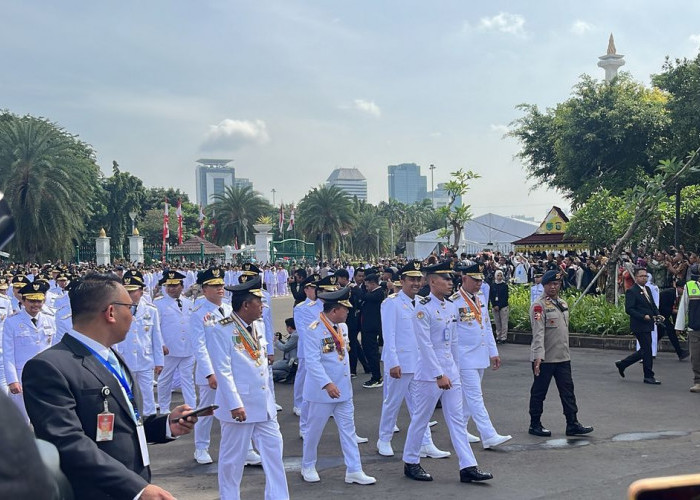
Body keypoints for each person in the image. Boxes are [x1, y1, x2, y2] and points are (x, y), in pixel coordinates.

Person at [22, 272, 199, 499]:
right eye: (131, 308)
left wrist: (166, 425)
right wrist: (137, 489)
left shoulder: (111, 356)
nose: (133, 317)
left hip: (131, 484)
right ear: (111, 312)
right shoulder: (49, 367)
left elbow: (120, 423)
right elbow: (68, 442)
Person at [402, 261, 493, 484]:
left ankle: (468, 466)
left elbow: (453, 342)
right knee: (420, 419)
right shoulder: (422, 308)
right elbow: (425, 345)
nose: (450, 282)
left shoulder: (451, 306)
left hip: (451, 371)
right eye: (445, 278)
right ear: (432, 281)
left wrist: (455, 369)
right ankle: (411, 461)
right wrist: (438, 374)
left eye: (451, 278)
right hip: (429, 374)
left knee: (456, 421)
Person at [206, 276, 289, 500]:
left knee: (274, 455)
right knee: (232, 461)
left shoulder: (258, 325)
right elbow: (223, 370)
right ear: (245, 305)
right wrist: (234, 404)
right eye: (258, 302)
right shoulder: (221, 329)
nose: (263, 306)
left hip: (264, 405)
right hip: (239, 407)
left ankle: (278, 497)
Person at [301, 286, 376, 485]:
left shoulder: (343, 327)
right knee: (313, 431)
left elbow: (342, 355)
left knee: (348, 431)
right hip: (321, 392)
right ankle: (308, 465)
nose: (349, 312)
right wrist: (327, 384)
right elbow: (312, 362)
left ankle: (354, 469)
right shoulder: (314, 330)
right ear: (335, 311)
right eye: (346, 309)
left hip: (343, 389)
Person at [377, 261, 448, 458]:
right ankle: (384, 438)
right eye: (412, 280)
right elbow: (388, 335)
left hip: (419, 363)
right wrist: (392, 362)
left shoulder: (423, 302)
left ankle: (425, 443)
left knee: (420, 407)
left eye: (418, 279)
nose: (416, 283)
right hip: (400, 361)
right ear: (402, 281)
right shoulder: (391, 303)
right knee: (392, 402)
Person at [453, 263, 511, 449]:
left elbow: (486, 326)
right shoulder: (454, 301)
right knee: (475, 396)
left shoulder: (479, 299)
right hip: (463, 357)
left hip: (479, 355)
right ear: (464, 279)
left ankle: (459, 430)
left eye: (480, 280)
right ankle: (488, 434)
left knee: (469, 398)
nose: (479, 284)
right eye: (475, 280)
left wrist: (493, 352)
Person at [529, 270, 593, 437]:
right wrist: (538, 356)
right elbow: (538, 332)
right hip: (545, 358)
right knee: (539, 392)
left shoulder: (563, 303)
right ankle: (535, 423)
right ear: (544, 285)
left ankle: (572, 423)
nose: (553, 287)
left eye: (556, 284)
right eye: (550, 284)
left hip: (563, 357)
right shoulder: (538, 305)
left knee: (568, 391)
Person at [3, 280, 56, 421]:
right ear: (24, 301)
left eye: (39, 301)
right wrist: (12, 380)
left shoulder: (49, 320)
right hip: (22, 376)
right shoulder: (12, 322)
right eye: (32, 301)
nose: (36, 305)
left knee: (46, 417)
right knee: (22, 418)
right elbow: (8, 353)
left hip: (46, 374)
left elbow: (55, 349)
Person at [115, 270, 164, 416]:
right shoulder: (117, 310)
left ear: (141, 291)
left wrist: (159, 361)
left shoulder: (151, 310)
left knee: (147, 393)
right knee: (126, 393)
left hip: (145, 359)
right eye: (126, 291)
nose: (129, 295)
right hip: (125, 358)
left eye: (133, 291)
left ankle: (150, 422)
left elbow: (156, 336)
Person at [154, 271, 196, 413]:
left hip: (188, 348)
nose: (171, 288)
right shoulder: (158, 304)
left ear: (182, 286)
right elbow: (156, 327)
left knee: (188, 380)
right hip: (169, 349)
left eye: (174, 285)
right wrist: (160, 345)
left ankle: (191, 407)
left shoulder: (189, 303)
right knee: (165, 380)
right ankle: (165, 409)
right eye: (168, 286)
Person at [615, 267, 664, 384]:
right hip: (639, 324)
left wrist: (658, 314)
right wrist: (643, 316)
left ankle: (623, 364)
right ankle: (648, 376)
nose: (644, 278)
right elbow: (629, 309)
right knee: (647, 350)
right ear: (636, 278)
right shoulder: (632, 291)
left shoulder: (647, 289)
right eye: (642, 276)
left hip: (649, 323)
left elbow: (652, 305)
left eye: (646, 276)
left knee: (645, 350)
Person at [675, 264, 700, 392]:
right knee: (695, 356)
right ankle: (698, 381)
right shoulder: (689, 286)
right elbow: (683, 307)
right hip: (695, 327)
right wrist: (679, 326)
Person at [360, 271, 384, 388]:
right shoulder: (372, 293)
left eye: (367, 285)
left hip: (372, 328)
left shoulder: (379, 293)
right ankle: (375, 376)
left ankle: (377, 377)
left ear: (373, 284)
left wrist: (356, 289)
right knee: (368, 352)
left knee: (372, 353)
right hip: (367, 328)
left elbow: (364, 296)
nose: (366, 287)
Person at [658, 280, 689, 361]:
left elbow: (674, 312)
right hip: (660, 315)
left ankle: (646, 349)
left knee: (660, 334)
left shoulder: (677, 296)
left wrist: (677, 325)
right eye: (683, 289)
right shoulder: (668, 293)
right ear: (678, 288)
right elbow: (662, 307)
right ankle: (680, 352)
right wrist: (673, 311)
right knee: (670, 331)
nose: (684, 291)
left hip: (665, 316)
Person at [272, 318, 298, 382]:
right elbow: (288, 345)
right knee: (272, 369)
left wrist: (276, 341)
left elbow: (285, 348)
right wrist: (280, 340)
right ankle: (287, 374)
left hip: (290, 362)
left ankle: (287, 375)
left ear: (289, 327)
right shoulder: (295, 334)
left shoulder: (295, 336)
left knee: (269, 368)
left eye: (286, 327)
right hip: (287, 361)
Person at [489, 270, 509, 344]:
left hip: (503, 306)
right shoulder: (493, 285)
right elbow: (491, 296)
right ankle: (498, 336)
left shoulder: (505, 285)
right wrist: (494, 305)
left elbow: (505, 297)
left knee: (504, 322)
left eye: (501, 275)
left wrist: (499, 305)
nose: (499, 277)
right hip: (495, 307)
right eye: (498, 275)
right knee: (497, 322)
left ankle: (504, 337)